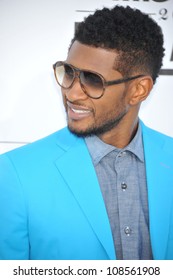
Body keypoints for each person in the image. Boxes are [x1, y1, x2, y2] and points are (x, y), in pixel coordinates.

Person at [0, 5, 173, 260]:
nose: (72, 93)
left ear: (138, 90)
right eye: (68, 72)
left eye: (93, 80)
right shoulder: (15, 172)